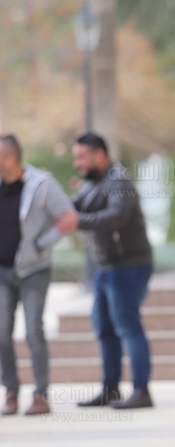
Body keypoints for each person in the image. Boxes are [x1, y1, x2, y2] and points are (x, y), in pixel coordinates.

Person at [56, 133, 155, 409]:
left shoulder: (119, 180)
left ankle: (142, 390)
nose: (77, 163)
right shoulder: (92, 183)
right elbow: (72, 208)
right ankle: (110, 389)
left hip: (129, 265)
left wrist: (79, 221)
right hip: (106, 267)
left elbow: (116, 216)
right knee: (104, 327)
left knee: (128, 325)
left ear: (99, 154)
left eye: (81, 157)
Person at [0, 135, 76, 416]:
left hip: (33, 270)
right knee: (1, 333)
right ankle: (11, 392)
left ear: (10, 159)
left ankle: (40, 395)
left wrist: (41, 244)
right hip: (3, 272)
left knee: (33, 330)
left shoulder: (41, 185)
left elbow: (68, 218)